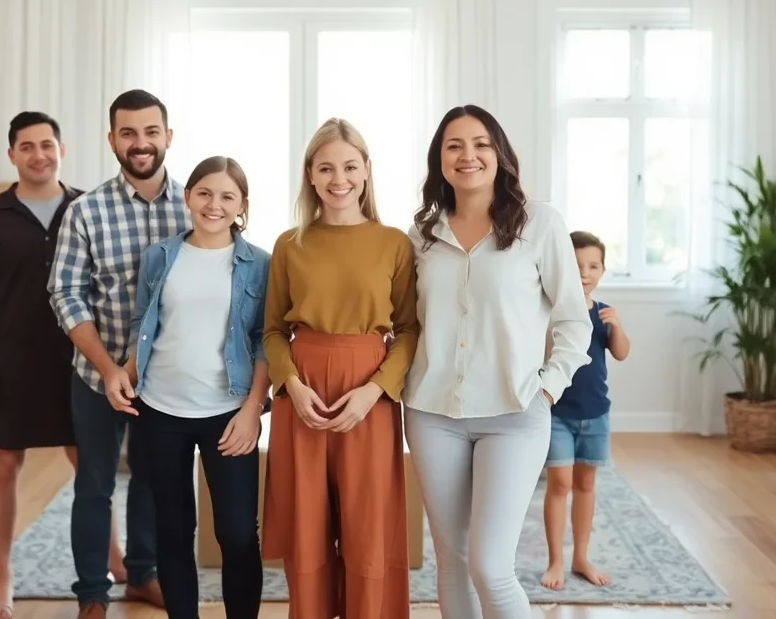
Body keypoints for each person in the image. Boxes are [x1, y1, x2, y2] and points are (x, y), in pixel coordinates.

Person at [403, 105, 593, 619]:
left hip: (514, 414)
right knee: (453, 559)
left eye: (481, 144)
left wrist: (548, 388)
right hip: (431, 412)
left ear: (500, 154)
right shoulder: (421, 235)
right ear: (439, 159)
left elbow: (575, 321)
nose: (468, 155)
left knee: (490, 565)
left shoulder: (541, 224)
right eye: (454, 145)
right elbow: (408, 326)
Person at [0, 111, 125, 619]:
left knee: (91, 466)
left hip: (80, 358)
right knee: (4, 464)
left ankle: (115, 566)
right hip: (8, 360)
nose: (38, 154)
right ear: (12, 155)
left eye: (47, 144)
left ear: (63, 149)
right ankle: (3, 580)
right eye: (26, 146)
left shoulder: (88, 207)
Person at [260, 118, 418, 619]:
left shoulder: (394, 243)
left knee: (367, 523)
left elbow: (411, 330)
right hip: (302, 392)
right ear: (309, 174)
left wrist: (376, 391)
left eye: (350, 166)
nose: (338, 178)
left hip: (368, 394)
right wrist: (290, 386)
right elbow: (270, 332)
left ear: (367, 170)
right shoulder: (290, 244)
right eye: (325, 167)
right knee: (306, 524)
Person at [104, 155, 271, 619]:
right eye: (204, 193)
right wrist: (125, 373)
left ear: (242, 206)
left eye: (226, 196)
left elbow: (265, 341)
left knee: (238, 533)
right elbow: (144, 323)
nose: (213, 205)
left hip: (228, 413)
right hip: (159, 410)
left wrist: (252, 410)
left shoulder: (260, 264)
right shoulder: (160, 256)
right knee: (173, 529)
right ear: (188, 196)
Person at [49, 89, 188, 619]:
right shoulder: (85, 211)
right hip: (96, 374)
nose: (140, 143)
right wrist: (108, 370)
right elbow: (65, 293)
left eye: (151, 132)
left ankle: (143, 575)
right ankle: (91, 593)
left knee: (153, 482)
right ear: (111, 140)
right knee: (94, 486)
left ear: (168, 137)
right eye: (128, 133)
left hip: (166, 380)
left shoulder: (194, 204)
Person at [541, 230, 631, 590]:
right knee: (559, 483)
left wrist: (617, 326)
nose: (585, 272)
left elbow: (621, 353)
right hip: (557, 413)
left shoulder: (603, 313)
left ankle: (581, 556)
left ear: (603, 270)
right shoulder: (550, 311)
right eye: (578, 265)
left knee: (586, 483)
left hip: (596, 413)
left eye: (593, 265)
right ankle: (555, 561)